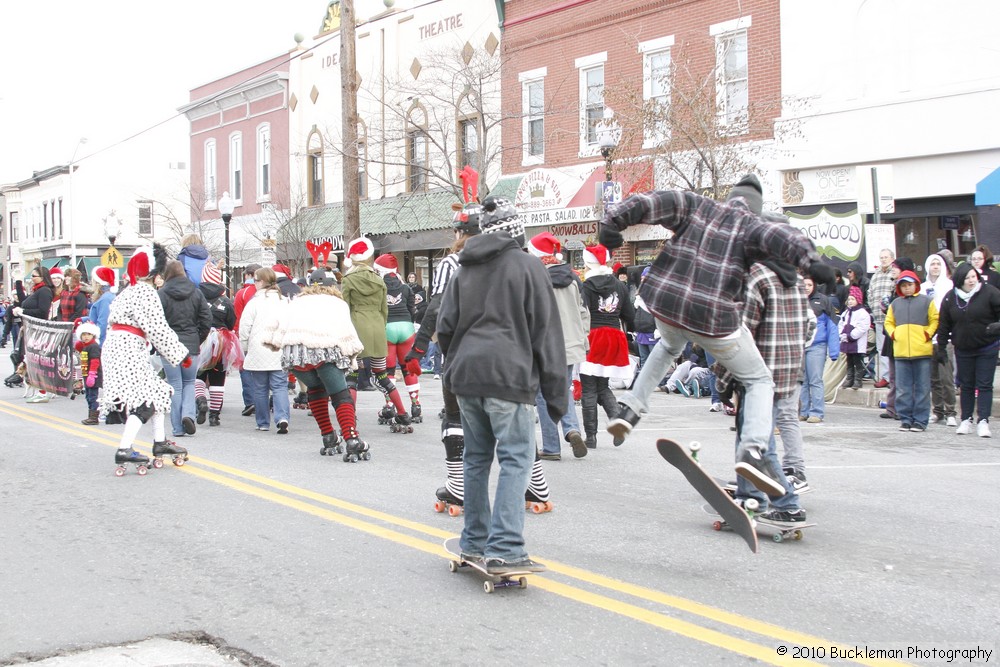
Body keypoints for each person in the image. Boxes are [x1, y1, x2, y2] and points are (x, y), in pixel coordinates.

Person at [602, 174, 832, 496]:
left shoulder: (697, 205)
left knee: (668, 346)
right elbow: (783, 236)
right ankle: (751, 451)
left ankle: (630, 409)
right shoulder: (752, 226)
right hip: (713, 316)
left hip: (666, 303)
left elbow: (657, 200)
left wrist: (614, 222)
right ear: (755, 207)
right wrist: (813, 262)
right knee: (759, 380)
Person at [437, 196, 567, 574]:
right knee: (516, 458)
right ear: (515, 231)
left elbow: (445, 328)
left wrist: (461, 360)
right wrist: (557, 399)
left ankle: (474, 540)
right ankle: (506, 547)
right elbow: (547, 334)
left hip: (466, 376)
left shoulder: (464, 270)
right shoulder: (528, 267)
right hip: (508, 376)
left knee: (476, 458)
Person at [716, 251, 814, 520]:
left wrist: (722, 380)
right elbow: (808, 326)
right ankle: (750, 497)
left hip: (756, 373)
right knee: (748, 437)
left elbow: (738, 334)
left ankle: (787, 504)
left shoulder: (756, 279)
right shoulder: (793, 280)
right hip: (785, 372)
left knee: (759, 443)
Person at [100, 245, 191, 471]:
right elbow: (158, 329)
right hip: (128, 348)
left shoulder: (128, 290)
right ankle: (124, 448)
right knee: (145, 400)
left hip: (117, 345)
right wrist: (180, 355)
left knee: (156, 391)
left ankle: (159, 442)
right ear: (155, 272)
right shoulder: (146, 293)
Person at [262, 278, 368, 459]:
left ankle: (328, 437)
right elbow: (346, 331)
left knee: (316, 390)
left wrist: (275, 343)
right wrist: (352, 355)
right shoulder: (338, 303)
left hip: (295, 353)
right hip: (324, 348)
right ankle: (351, 438)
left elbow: (277, 325)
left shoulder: (296, 302)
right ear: (333, 288)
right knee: (340, 394)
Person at [528, 231, 589, 460]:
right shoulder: (574, 278)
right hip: (571, 343)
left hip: (545, 345)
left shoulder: (537, 279)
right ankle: (572, 428)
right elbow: (584, 312)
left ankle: (552, 446)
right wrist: (584, 339)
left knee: (544, 395)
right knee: (564, 389)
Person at [342, 238, 412, 430]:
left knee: (352, 376)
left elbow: (344, 308)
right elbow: (384, 310)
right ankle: (403, 413)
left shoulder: (348, 280)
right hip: (378, 330)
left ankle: (350, 421)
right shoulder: (378, 280)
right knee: (381, 375)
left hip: (356, 329)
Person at [579, 243, 634, 449]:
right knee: (602, 385)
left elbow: (582, 312)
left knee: (588, 388)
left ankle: (591, 436)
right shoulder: (619, 285)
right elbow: (629, 315)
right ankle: (617, 420)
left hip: (592, 335)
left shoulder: (586, 286)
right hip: (613, 336)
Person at [936, 262, 1000, 437]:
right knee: (966, 385)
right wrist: (941, 347)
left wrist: (996, 326)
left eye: (973, 276)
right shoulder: (950, 298)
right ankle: (966, 419)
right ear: (959, 280)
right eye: (967, 278)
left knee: (985, 385)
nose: (971, 280)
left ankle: (983, 420)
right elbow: (943, 324)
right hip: (963, 348)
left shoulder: (990, 293)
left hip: (987, 346)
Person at [158, 260, 212, 438]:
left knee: (175, 385)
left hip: (169, 345)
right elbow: (206, 319)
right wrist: (198, 338)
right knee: (189, 383)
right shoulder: (196, 293)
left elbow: (156, 322)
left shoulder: (162, 294)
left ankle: (177, 428)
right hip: (191, 344)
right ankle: (188, 415)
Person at [883, 270, 938, 432]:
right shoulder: (895, 304)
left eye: (910, 285)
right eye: (904, 285)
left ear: (916, 285)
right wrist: (894, 334)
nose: (907, 288)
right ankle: (905, 418)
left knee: (922, 387)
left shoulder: (927, 301)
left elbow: (935, 319)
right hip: (901, 352)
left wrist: (927, 334)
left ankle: (920, 420)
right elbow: (888, 322)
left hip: (922, 351)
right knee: (903, 387)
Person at [240, 267, 291, 433]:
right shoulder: (284, 301)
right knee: (280, 386)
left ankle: (262, 422)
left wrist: (245, 347)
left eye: (255, 280)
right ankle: (282, 417)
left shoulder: (254, 303)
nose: (253, 284)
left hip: (259, 348)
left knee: (260, 388)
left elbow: (245, 328)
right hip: (279, 347)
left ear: (261, 282)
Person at [373, 254, 422, 421]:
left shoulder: (378, 286)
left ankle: (390, 405)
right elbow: (412, 308)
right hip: (406, 327)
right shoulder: (406, 287)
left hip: (387, 328)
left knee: (389, 371)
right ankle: (416, 405)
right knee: (408, 368)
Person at [196, 262, 238, 427]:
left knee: (198, 374)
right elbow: (231, 321)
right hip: (220, 340)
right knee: (218, 376)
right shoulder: (225, 300)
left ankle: (200, 400)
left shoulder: (196, 296)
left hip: (201, 338)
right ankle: (214, 416)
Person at [922, 253, 957, 426]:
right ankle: (938, 411)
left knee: (946, 376)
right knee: (933, 378)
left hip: (945, 337)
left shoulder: (949, 285)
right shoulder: (923, 287)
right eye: (932, 264)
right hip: (929, 337)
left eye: (938, 264)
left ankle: (951, 411)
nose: (935, 267)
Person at [800, 276, 839, 424]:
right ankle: (803, 411)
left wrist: (834, 351)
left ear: (814, 286)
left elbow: (832, 326)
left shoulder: (823, 300)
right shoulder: (795, 299)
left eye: (810, 284)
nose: (807, 287)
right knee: (802, 381)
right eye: (804, 284)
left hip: (817, 346)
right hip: (800, 347)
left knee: (815, 380)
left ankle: (817, 412)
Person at [14, 267, 56, 403]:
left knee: (40, 362)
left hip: (40, 330)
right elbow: (24, 300)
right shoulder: (37, 290)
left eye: (34, 276)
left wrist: (23, 311)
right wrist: (18, 282)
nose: (32, 278)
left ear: (42, 277)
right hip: (32, 330)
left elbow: (42, 312)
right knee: (35, 361)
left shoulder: (44, 291)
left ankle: (43, 392)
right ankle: (41, 390)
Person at [233, 263, 262, 416]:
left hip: (246, 334)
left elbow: (237, 317)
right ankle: (264, 400)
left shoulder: (242, 293)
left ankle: (250, 401)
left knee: (245, 368)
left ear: (249, 275)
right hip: (264, 335)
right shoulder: (268, 293)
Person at [867, 248, 896, 387]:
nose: (883, 260)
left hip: (893, 319)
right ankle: (885, 377)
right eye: (881, 257)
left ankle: (894, 377)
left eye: (886, 257)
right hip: (878, 318)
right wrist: (873, 307)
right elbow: (870, 293)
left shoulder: (894, 272)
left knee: (893, 349)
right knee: (881, 349)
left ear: (892, 258)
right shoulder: (876, 275)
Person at [838, 286, 870, 391]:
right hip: (847, 342)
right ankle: (849, 378)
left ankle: (858, 379)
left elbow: (862, 327)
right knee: (849, 360)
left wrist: (851, 335)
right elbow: (841, 324)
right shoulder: (846, 312)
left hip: (856, 342)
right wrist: (841, 334)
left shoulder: (862, 313)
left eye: (853, 299)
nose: (850, 301)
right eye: (849, 299)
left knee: (857, 361)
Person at [75, 320, 103, 425]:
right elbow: (78, 347)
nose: (86, 337)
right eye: (83, 334)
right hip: (86, 374)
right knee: (88, 396)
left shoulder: (94, 346)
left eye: (89, 334)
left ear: (93, 335)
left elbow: (95, 361)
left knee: (93, 396)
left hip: (93, 375)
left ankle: (94, 417)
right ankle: (90, 415)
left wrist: (92, 374)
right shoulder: (86, 346)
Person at [88, 267, 118, 344]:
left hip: (102, 342)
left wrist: (95, 342)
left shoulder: (105, 299)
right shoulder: (108, 296)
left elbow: (103, 324)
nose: (91, 283)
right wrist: (83, 319)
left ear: (98, 282)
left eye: (93, 280)